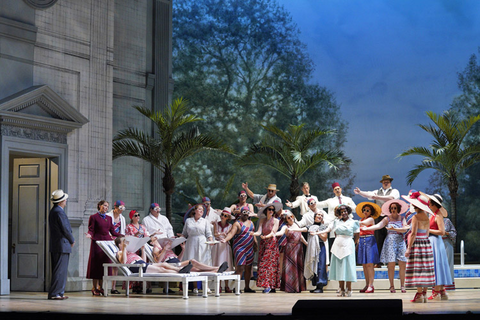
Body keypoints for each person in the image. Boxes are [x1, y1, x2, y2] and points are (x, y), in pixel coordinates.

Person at [361, 199, 410, 293]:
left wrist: (396, 229)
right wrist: (367, 227)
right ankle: (391, 286)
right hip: (390, 241)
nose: (393, 210)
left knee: (402, 264)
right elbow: (378, 226)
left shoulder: (402, 218)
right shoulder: (387, 218)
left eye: (395, 208)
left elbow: (405, 229)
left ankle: (402, 286)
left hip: (400, 241)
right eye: (391, 208)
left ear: (398, 209)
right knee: (391, 264)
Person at [313, 205, 360, 297]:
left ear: (348, 212)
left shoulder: (354, 222)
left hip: (348, 244)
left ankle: (349, 288)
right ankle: (341, 289)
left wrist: (353, 244)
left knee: (348, 267)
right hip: (338, 244)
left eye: (345, 211)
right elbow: (328, 230)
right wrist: (317, 232)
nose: (344, 213)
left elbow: (357, 235)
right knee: (340, 268)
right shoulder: (336, 222)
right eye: (342, 212)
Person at [354, 175, 400, 265]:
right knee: (378, 239)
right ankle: (378, 262)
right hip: (379, 217)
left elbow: (391, 198)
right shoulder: (377, 191)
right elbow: (369, 194)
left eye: (387, 181)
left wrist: (377, 197)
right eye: (384, 182)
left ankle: (391, 261)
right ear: (382, 183)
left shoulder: (394, 191)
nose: (386, 183)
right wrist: (360, 192)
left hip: (390, 217)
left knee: (391, 238)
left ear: (390, 183)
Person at [402, 191, 435, 303]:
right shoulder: (426, 217)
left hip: (418, 244)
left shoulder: (416, 217)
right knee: (425, 267)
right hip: (426, 243)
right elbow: (426, 232)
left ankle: (420, 294)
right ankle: (424, 293)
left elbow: (413, 233)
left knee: (418, 268)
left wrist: (408, 248)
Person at [85, 200, 122, 296]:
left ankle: (100, 287)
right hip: (97, 243)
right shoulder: (93, 217)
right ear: (99, 206)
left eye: (107, 206)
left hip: (106, 244)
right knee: (95, 266)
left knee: (103, 266)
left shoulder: (109, 218)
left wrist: (123, 236)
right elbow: (91, 230)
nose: (106, 208)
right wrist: (89, 235)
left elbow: (113, 232)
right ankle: (94, 287)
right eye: (104, 206)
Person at [221, 207, 257, 293]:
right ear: (240, 213)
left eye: (247, 212)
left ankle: (247, 287)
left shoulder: (251, 223)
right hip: (240, 248)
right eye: (244, 212)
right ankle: (236, 288)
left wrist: (255, 244)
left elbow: (253, 234)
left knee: (248, 268)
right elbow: (231, 233)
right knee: (240, 268)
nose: (246, 214)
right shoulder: (237, 223)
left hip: (249, 249)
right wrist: (225, 240)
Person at [48, 190, 75, 300]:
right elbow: (65, 229)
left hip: (57, 245)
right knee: (60, 270)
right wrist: (72, 240)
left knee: (59, 270)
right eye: (65, 199)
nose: (66, 201)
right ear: (61, 201)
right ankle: (56, 293)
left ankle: (58, 292)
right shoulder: (59, 212)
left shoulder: (54, 211)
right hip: (61, 245)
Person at [182, 204, 214, 293]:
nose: (201, 211)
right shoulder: (188, 221)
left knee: (203, 262)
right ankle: (195, 286)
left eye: (202, 210)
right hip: (191, 243)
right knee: (192, 263)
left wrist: (211, 241)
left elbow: (209, 234)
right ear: (195, 210)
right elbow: (184, 233)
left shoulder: (205, 221)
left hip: (202, 243)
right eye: (199, 209)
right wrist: (180, 238)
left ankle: (206, 286)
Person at [426, 193, 453, 300]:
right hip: (432, 242)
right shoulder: (431, 215)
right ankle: (441, 291)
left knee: (437, 267)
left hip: (437, 242)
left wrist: (428, 230)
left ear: (434, 204)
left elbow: (442, 232)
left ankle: (437, 291)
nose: (428, 204)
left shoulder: (438, 216)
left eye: (430, 203)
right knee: (436, 266)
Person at [251, 204, 280, 293]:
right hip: (264, 243)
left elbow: (273, 232)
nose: (271, 211)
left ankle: (269, 285)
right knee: (263, 264)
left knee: (270, 265)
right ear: (266, 211)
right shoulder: (262, 220)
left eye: (272, 210)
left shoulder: (276, 220)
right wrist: (253, 234)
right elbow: (259, 231)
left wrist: (266, 236)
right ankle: (267, 285)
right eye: (269, 209)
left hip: (271, 243)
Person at [275, 210, 307, 293]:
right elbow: (281, 232)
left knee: (298, 267)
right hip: (290, 248)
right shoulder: (286, 227)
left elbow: (301, 236)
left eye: (291, 216)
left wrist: (307, 244)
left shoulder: (297, 225)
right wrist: (273, 234)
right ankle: (290, 287)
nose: (291, 218)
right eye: (288, 218)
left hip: (299, 248)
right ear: (286, 220)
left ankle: (298, 287)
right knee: (290, 268)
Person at [316, 182, 355, 247]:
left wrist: (347, 207)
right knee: (335, 246)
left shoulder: (348, 199)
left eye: (338, 189)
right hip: (335, 225)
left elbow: (355, 209)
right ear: (333, 191)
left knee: (348, 245)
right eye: (335, 189)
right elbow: (319, 204)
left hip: (347, 224)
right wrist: (310, 201)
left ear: (341, 189)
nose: (337, 190)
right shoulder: (330, 201)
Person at [356, 202, 381, 293]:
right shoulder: (361, 219)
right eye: (364, 210)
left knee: (370, 264)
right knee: (364, 264)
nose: (365, 211)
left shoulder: (370, 219)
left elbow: (362, 223)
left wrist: (353, 222)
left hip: (369, 240)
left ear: (371, 212)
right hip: (362, 241)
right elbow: (359, 230)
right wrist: (358, 242)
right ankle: (367, 284)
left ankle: (371, 285)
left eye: (367, 210)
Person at [304, 211, 329, 293]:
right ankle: (315, 284)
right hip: (312, 248)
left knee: (320, 266)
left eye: (322, 215)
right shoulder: (310, 226)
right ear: (314, 216)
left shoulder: (323, 227)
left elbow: (324, 238)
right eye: (318, 214)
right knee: (313, 264)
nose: (320, 216)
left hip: (320, 247)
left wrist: (317, 232)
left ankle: (320, 286)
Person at [211, 207, 234, 293]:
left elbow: (228, 235)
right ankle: (219, 285)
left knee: (226, 263)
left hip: (225, 245)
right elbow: (215, 234)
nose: (223, 216)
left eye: (225, 215)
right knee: (218, 263)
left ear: (228, 217)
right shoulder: (216, 224)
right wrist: (221, 234)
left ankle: (227, 285)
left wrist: (221, 235)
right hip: (218, 245)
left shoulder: (230, 226)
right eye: (222, 215)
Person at [106, 200, 126, 293]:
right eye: (120, 208)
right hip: (109, 241)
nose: (121, 210)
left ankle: (113, 287)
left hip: (117, 242)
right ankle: (103, 286)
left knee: (116, 264)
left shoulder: (122, 218)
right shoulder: (108, 216)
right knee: (106, 263)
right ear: (116, 207)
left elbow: (122, 232)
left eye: (123, 208)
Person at [443, 217, 457, 291]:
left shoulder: (447, 220)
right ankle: (438, 286)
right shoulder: (430, 219)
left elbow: (454, 233)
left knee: (448, 263)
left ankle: (448, 285)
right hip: (436, 242)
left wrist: (446, 233)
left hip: (447, 242)